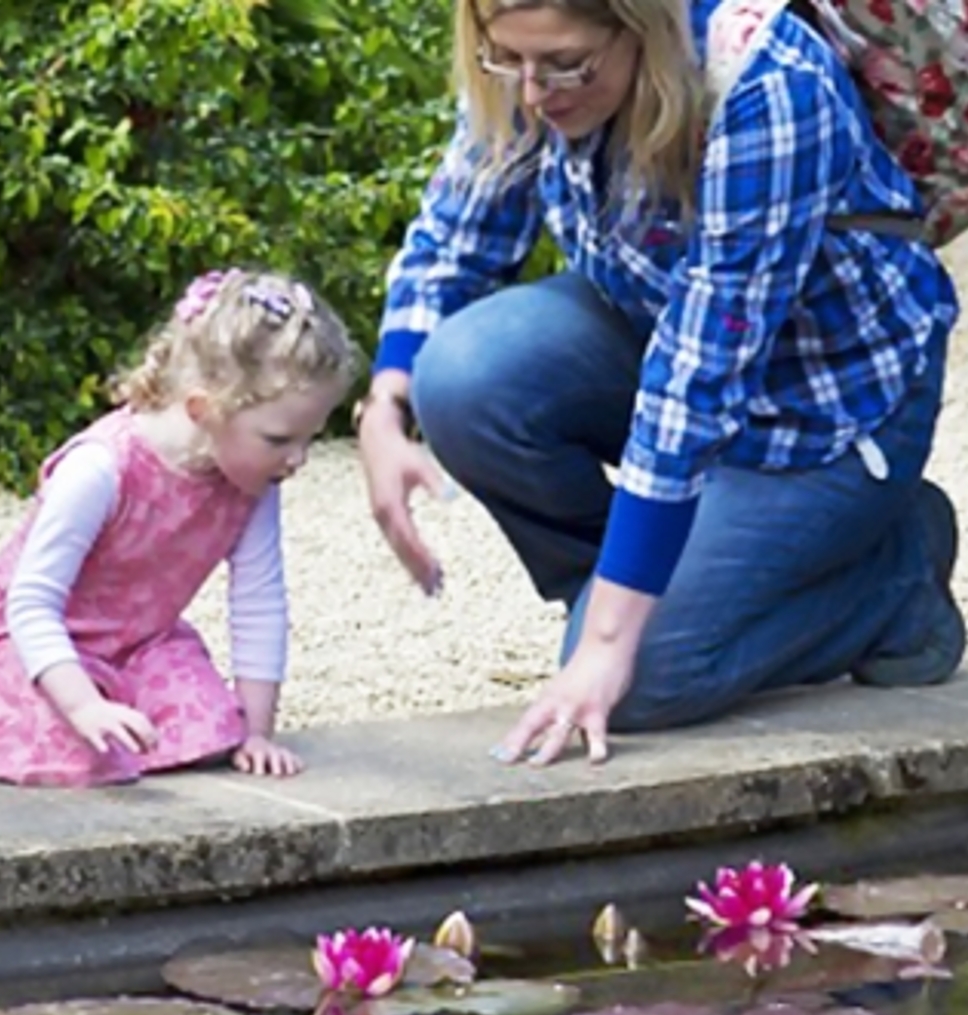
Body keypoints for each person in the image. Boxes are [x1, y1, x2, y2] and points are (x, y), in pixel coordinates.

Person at [356, 0, 962, 770]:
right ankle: (649, 599)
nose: (535, 92)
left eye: (567, 65)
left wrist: (615, 640)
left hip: (828, 412)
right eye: (510, 61)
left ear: (640, 27)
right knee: (463, 376)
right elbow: (457, 234)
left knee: (643, 682)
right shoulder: (534, 57)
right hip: (660, 336)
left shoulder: (764, 80)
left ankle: (897, 570)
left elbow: (698, 377)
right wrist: (387, 406)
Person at [0, 268, 358, 787]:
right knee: (80, 748)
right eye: (280, 438)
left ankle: (125, 713)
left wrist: (258, 731)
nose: (299, 459)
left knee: (215, 724)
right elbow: (31, 604)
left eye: (310, 438)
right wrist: (83, 705)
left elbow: (259, 600)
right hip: (32, 647)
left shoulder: (253, 482)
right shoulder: (101, 469)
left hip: (139, 645)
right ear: (204, 410)